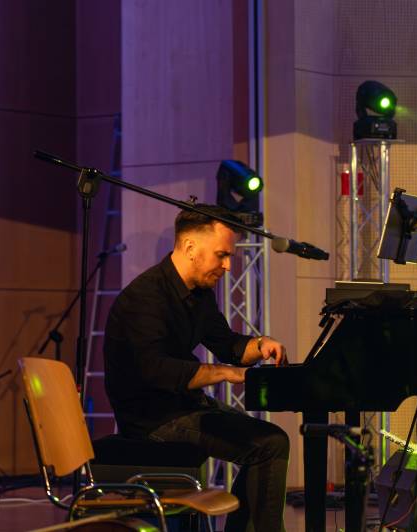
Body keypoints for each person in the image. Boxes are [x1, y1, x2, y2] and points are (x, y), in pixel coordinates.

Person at [104, 204, 289, 532]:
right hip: (153, 419)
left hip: (183, 408)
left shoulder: (199, 294)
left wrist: (260, 344)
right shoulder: (144, 297)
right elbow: (157, 371)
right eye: (222, 255)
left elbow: (228, 344)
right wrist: (225, 373)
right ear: (190, 247)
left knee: (270, 441)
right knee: (269, 443)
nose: (227, 266)